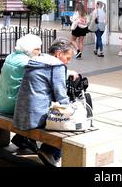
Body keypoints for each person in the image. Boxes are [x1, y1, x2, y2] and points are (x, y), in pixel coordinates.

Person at [13, 38, 78, 167]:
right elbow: (61, 97)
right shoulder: (56, 66)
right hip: (36, 117)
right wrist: (73, 111)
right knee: (68, 123)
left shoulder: (35, 60)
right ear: (59, 53)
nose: (67, 62)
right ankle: (50, 151)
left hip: (21, 113)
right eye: (68, 58)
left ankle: (21, 138)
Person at [0, 34, 42, 152]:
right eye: (37, 49)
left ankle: (22, 138)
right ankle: (49, 150)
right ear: (28, 50)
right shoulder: (27, 62)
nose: (40, 52)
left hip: (3, 103)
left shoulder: (10, 57)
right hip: (14, 108)